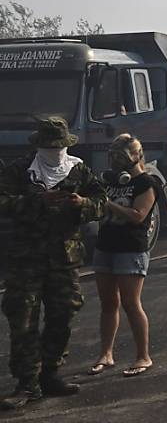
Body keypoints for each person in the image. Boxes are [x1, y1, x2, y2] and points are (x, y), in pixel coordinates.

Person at [0, 117, 106, 410]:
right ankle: (27, 383)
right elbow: (3, 201)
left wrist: (81, 204)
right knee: (23, 320)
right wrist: (37, 202)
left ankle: (50, 374)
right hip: (26, 259)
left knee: (63, 314)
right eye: (49, 147)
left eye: (59, 146)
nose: (55, 152)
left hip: (64, 258)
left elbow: (101, 199)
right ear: (39, 146)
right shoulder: (20, 171)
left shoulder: (78, 169)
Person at [90, 135, 159, 378]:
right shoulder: (109, 181)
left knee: (131, 303)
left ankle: (143, 356)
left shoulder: (146, 183)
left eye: (121, 157)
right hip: (105, 246)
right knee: (108, 304)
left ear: (135, 157)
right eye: (113, 157)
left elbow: (138, 215)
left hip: (131, 250)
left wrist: (107, 204)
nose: (116, 162)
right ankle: (106, 354)